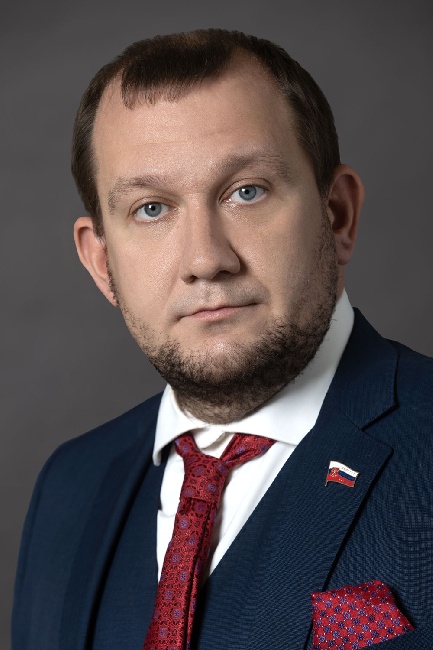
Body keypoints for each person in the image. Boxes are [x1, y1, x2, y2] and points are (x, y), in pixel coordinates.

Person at [12, 29, 433, 650]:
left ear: (337, 215)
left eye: (246, 192)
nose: (206, 260)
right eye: (151, 209)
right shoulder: (67, 488)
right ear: (101, 263)